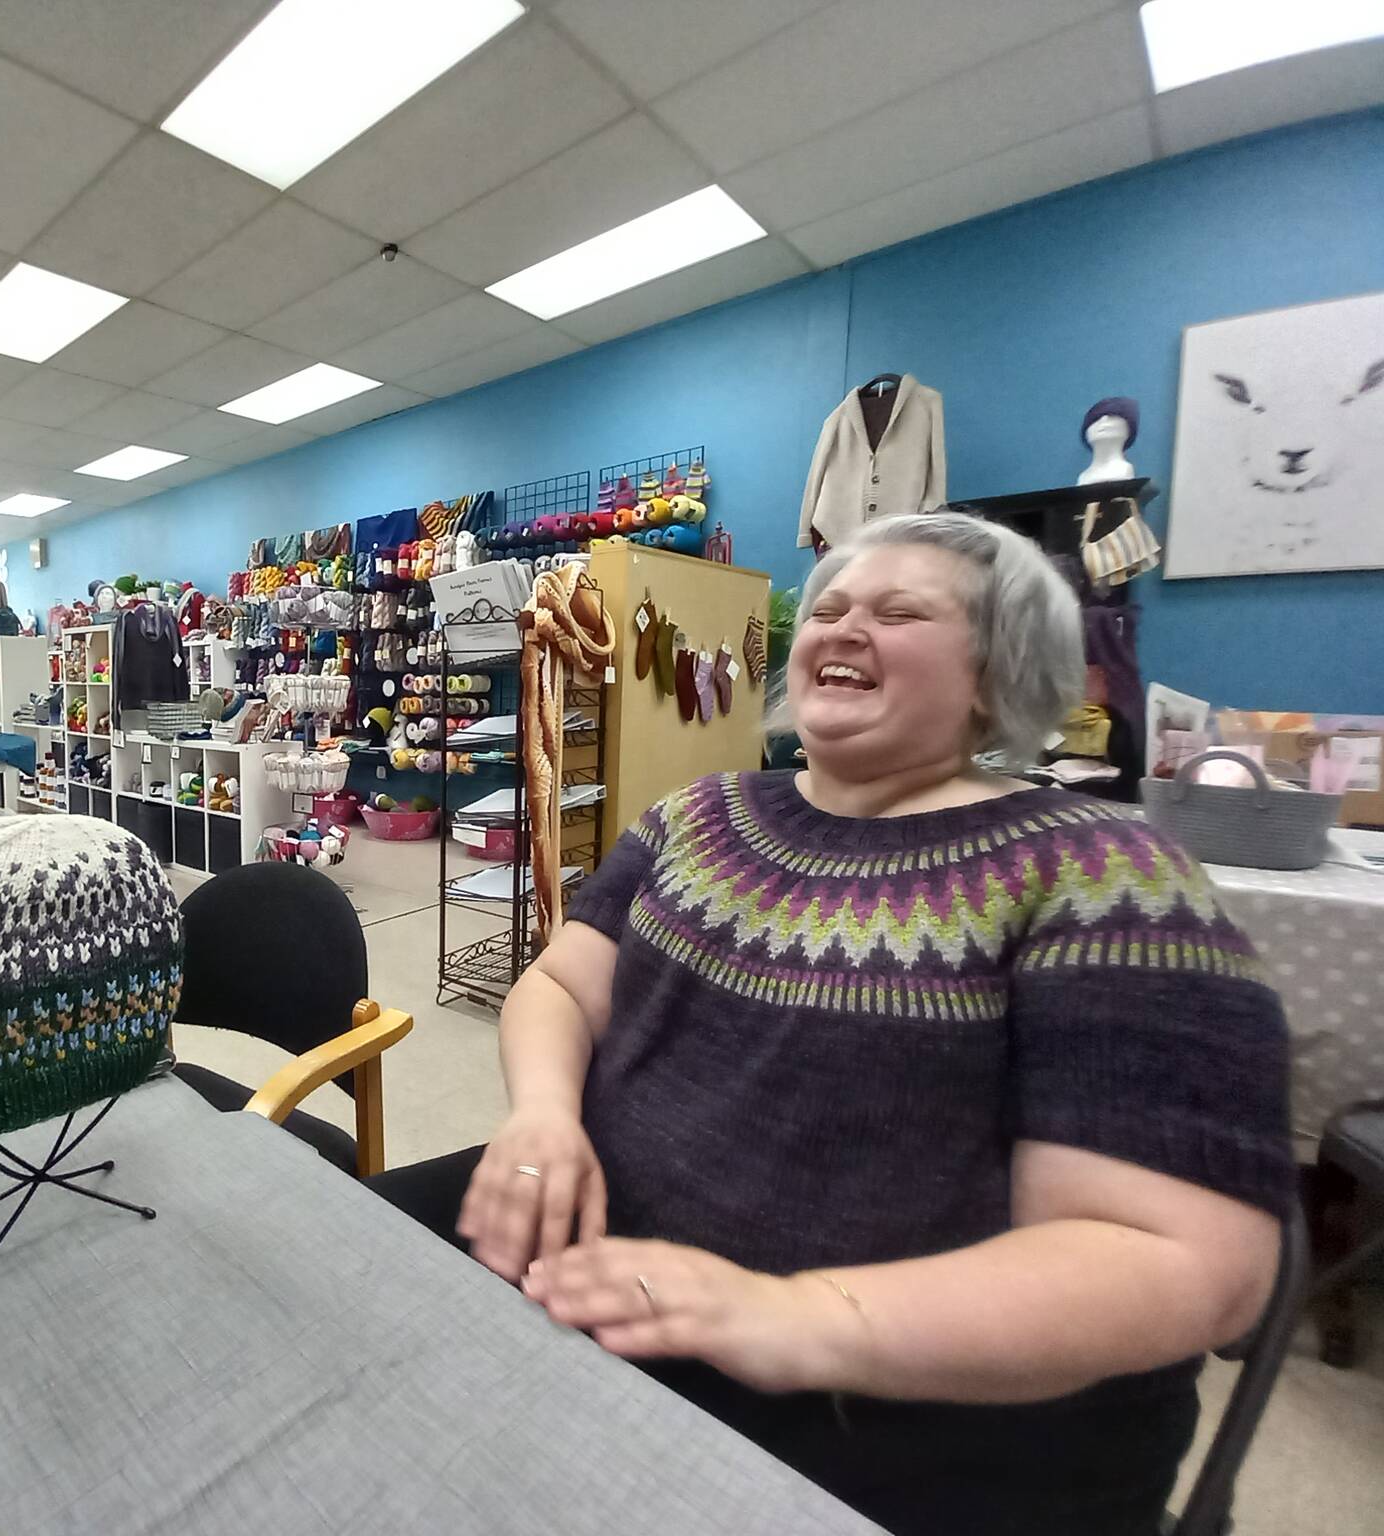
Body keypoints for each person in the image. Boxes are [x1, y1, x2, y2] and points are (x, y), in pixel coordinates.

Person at [371, 511, 1291, 1536]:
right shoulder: (697, 816)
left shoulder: (1099, 871)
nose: (844, 628)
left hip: (906, 1416)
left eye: (898, 612)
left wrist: (796, 1316)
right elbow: (561, 985)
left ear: (994, 675)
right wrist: (542, 1116)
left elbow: (1180, 1261)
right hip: (626, 1283)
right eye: (831, 609)